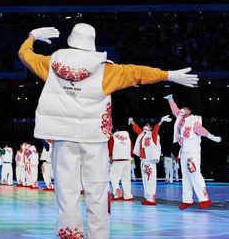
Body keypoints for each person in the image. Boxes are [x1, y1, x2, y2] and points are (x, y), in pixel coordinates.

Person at [19, 24, 198, 238]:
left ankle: (70, 234)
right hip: (94, 138)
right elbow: (136, 72)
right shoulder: (106, 70)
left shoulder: (52, 64)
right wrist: (167, 75)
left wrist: (32, 36)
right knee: (98, 191)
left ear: (71, 40)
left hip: (64, 137)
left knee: (67, 192)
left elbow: (24, 54)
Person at [165, 94, 222, 209]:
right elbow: (175, 110)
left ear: (190, 110)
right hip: (184, 151)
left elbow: (202, 131)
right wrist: (171, 99)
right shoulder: (180, 118)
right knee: (185, 176)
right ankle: (187, 200)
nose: (182, 110)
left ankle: (204, 199)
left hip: (193, 151)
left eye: (185, 108)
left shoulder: (194, 120)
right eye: (183, 108)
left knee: (195, 174)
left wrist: (213, 137)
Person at [130, 115, 171, 205]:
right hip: (144, 160)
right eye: (144, 126)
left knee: (150, 179)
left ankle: (151, 198)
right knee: (145, 180)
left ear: (150, 128)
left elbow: (156, 129)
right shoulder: (142, 135)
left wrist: (161, 121)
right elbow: (137, 129)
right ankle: (148, 197)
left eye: (147, 126)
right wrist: (132, 121)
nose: (145, 127)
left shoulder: (153, 135)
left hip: (150, 160)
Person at [108, 129, 133, 201]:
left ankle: (117, 194)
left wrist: (110, 156)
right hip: (127, 159)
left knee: (113, 177)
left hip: (118, 159)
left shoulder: (113, 137)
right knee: (126, 179)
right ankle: (128, 195)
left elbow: (110, 148)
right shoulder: (127, 136)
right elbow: (131, 148)